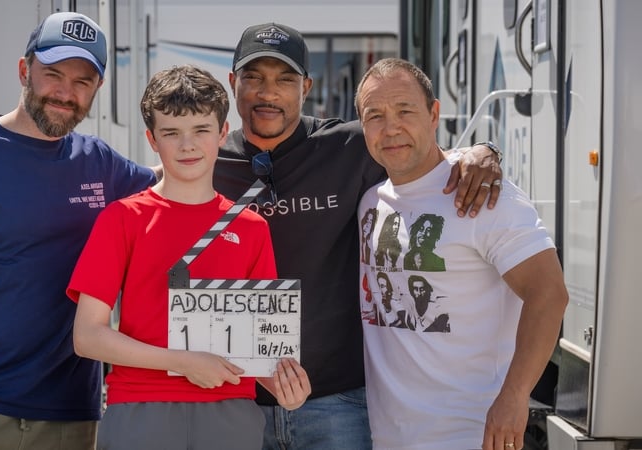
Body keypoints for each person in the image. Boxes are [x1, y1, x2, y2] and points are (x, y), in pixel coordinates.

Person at [212, 22, 505, 449]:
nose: (268, 92)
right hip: (234, 401)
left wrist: (483, 152)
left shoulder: (347, 147)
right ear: (233, 82)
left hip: (338, 402)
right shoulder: (207, 161)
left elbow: (417, 154)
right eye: (254, 78)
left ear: (306, 87)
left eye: (284, 79)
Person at [0, 12, 156, 450]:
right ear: (25, 70)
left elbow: (176, 185)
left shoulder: (99, 163)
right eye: (53, 74)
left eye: (82, 81)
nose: (65, 93)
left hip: (70, 420)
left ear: (97, 89)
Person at [66, 64, 311, 450]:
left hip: (229, 410)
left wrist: (284, 386)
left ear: (222, 133)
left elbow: (257, 347)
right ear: (151, 139)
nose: (187, 146)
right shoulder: (123, 219)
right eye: (171, 133)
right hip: (140, 409)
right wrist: (182, 361)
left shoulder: (251, 228)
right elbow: (88, 336)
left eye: (201, 130)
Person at [355, 57, 568, 450]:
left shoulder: (483, 195)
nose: (391, 128)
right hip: (389, 438)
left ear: (434, 114)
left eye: (405, 110)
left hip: (472, 435)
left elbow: (549, 293)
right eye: (375, 116)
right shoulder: (371, 202)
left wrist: (515, 396)